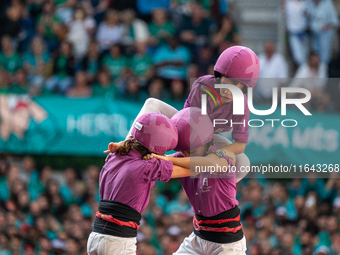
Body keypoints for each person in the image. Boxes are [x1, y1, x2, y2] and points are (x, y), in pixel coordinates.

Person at [109, 46, 260, 180]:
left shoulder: (242, 104)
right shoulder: (203, 85)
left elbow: (240, 145)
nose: (231, 89)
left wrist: (218, 154)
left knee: (244, 163)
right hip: (183, 124)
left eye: (238, 85)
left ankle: (192, 177)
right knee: (152, 103)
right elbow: (191, 127)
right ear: (219, 75)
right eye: (229, 81)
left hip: (207, 139)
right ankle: (127, 145)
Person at [87, 112, 202, 255]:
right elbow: (196, 167)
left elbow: (150, 105)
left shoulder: (114, 155)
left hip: (96, 236)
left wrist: (165, 158)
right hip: (118, 240)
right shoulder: (148, 167)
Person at [152, 107, 245, 254]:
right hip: (198, 237)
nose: (187, 155)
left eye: (192, 151)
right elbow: (156, 167)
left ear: (207, 142)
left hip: (227, 242)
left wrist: (167, 158)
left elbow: (207, 164)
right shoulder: (182, 157)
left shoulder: (223, 157)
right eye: (183, 150)